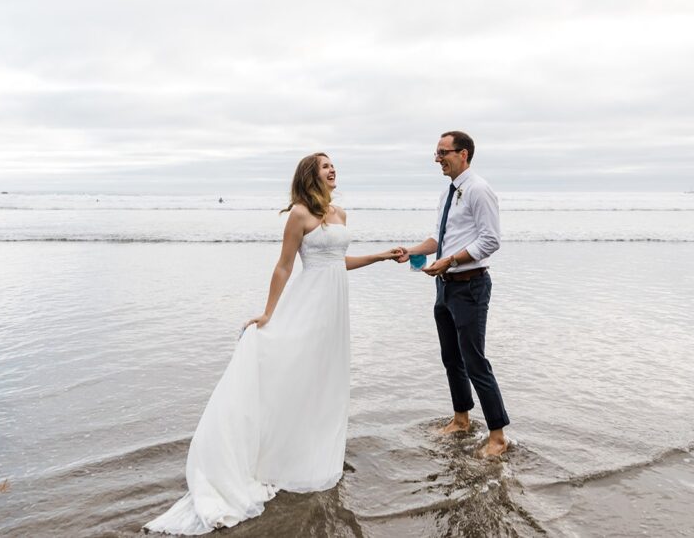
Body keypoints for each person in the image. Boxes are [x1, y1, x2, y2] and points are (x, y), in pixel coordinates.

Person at [144, 153, 401, 535]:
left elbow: (337, 262)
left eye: (334, 165)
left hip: (335, 310)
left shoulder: (340, 214)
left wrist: (380, 256)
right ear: (309, 176)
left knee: (326, 382)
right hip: (308, 305)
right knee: (295, 375)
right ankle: (277, 455)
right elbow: (284, 266)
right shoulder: (299, 214)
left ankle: (315, 454)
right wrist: (267, 314)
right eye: (324, 166)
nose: (333, 170)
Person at [395, 131, 510, 457]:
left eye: (443, 152)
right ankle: (461, 420)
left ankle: (497, 437)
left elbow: (491, 241)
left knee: (475, 361)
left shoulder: (479, 189)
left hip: (470, 285)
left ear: (464, 154)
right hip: (444, 286)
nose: (437, 158)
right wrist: (413, 251)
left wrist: (451, 260)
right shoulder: (448, 193)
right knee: (451, 359)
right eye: (436, 153)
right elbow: (440, 237)